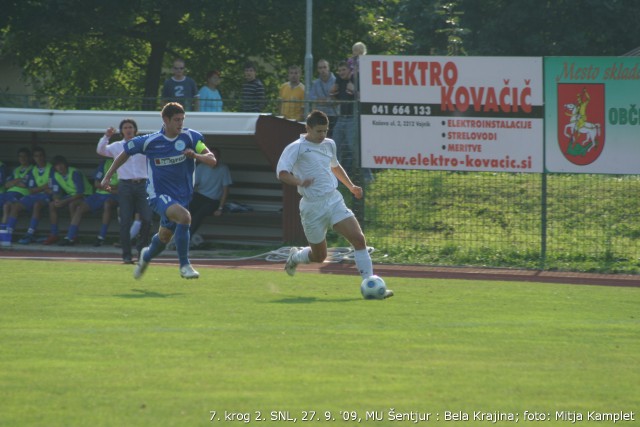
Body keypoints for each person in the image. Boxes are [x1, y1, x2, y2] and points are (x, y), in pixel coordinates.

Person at [276, 110, 393, 298]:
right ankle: (296, 257)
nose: (323, 135)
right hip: (312, 207)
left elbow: (335, 166)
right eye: (319, 131)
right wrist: (300, 181)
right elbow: (282, 173)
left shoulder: (329, 144)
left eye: (325, 131)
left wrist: (352, 186)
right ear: (308, 128)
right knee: (319, 256)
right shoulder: (295, 148)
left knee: (358, 238)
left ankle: (370, 282)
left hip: (333, 200)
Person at [101, 102, 217, 280]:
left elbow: (211, 160)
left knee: (163, 238)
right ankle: (185, 265)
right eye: (176, 120)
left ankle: (145, 257)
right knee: (185, 217)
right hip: (158, 195)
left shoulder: (191, 137)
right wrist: (108, 176)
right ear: (165, 120)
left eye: (182, 119)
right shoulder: (150, 141)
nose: (180, 123)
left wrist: (196, 156)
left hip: (182, 197)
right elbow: (125, 152)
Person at [97, 119, 153, 264]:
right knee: (125, 221)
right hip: (125, 185)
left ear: (135, 130)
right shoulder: (117, 146)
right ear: (122, 131)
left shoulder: (142, 144)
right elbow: (101, 150)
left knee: (147, 218)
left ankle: (141, 252)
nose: (128, 129)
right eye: (125, 127)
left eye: (131, 127)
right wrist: (106, 136)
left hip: (142, 185)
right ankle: (126, 255)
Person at [58, 158, 119, 246]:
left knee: (107, 204)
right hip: (99, 195)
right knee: (80, 208)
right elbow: (97, 183)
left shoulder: (126, 162)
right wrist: (111, 188)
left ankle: (101, 237)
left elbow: (121, 188)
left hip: (114, 196)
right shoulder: (105, 162)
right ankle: (70, 237)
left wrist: (107, 187)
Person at [6, 147, 54, 244]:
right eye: (36, 156)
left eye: (41, 155)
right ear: (33, 158)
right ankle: (8, 233)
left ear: (44, 156)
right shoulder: (33, 170)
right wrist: (43, 187)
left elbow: (52, 185)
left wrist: (39, 188)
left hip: (47, 196)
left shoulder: (51, 168)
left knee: (37, 205)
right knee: (16, 206)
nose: (39, 158)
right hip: (35, 195)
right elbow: (31, 190)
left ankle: (30, 233)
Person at [44, 155, 92, 245]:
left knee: (72, 204)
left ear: (65, 164)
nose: (60, 167)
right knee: (52, 205)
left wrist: (64, 201)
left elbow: (80, 193)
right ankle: (54, 234)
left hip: (86, 195)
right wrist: (56, 199)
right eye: (57, 165)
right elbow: (56, 192)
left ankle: (73, 235)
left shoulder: (74, 172)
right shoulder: (56, 175)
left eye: (61, 164)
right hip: (71, 196)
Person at [189, 147, 232, 236]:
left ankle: (187, 238)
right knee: (185, 210)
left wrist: (220, 208)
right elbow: (192, 185)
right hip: (200, 197)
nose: (214, 158)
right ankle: (174, 235)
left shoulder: (223, 169)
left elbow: (225, 190)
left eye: (216, 156)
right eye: (211, 156)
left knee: (199, 215)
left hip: (213, 201)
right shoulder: (201, 167)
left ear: (219, 158)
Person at [0, 147, 33, 227]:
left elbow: (25, 185)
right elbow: (6, 184)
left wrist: (13, 182)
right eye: (20, 156)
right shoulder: (16, 169)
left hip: (21, 194)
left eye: (24, 156)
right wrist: (19, 180)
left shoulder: (32, 169)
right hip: (8, 193)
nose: (22, 158)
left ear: (29, 157)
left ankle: (4, 231)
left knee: (6, 206)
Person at [308, 59, 338, 137]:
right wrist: (327, 100)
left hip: (333, 116)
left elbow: (336, 100)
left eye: (324, 67)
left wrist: (320, 100)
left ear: (328, 68)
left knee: (332, 138)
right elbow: (311, 98)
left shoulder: (336, 81)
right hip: (319, 116)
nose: (323, 70)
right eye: (320, 68)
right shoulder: (315, 83)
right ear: (318, 69)